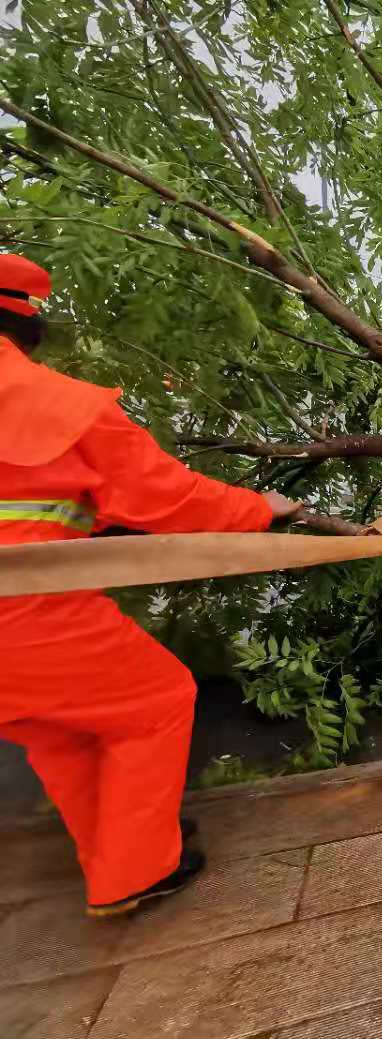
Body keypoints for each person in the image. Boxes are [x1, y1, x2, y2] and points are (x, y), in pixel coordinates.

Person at [0, 254, 301, 917]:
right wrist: (260, 511)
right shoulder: (51, 403)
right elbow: (165, 498)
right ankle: (136, 871)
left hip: (18, 621)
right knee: (156, 700)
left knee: (61, 731)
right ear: (25, 328)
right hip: (24, 607)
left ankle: (122, 844)